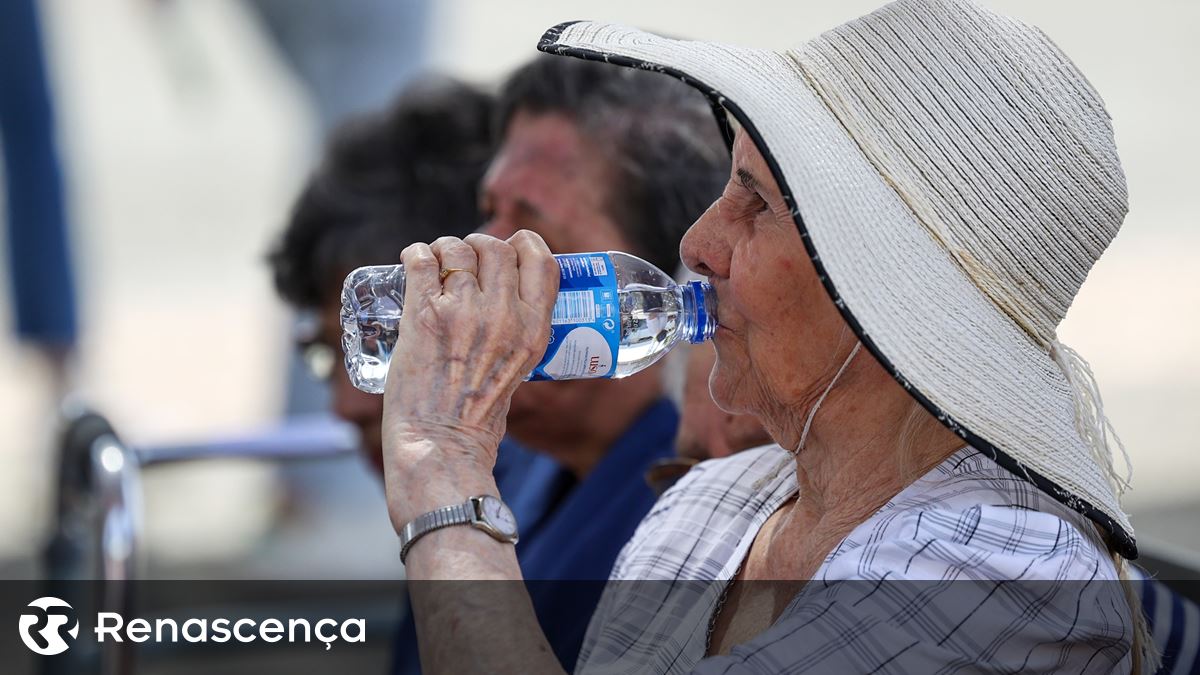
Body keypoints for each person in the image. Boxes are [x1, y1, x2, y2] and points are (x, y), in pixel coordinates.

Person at [373, 0, 1158, 672]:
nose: (697, 243)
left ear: (875, 288)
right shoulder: (715, 505)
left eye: (756, 203)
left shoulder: (1002, 570)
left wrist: (443, 463)